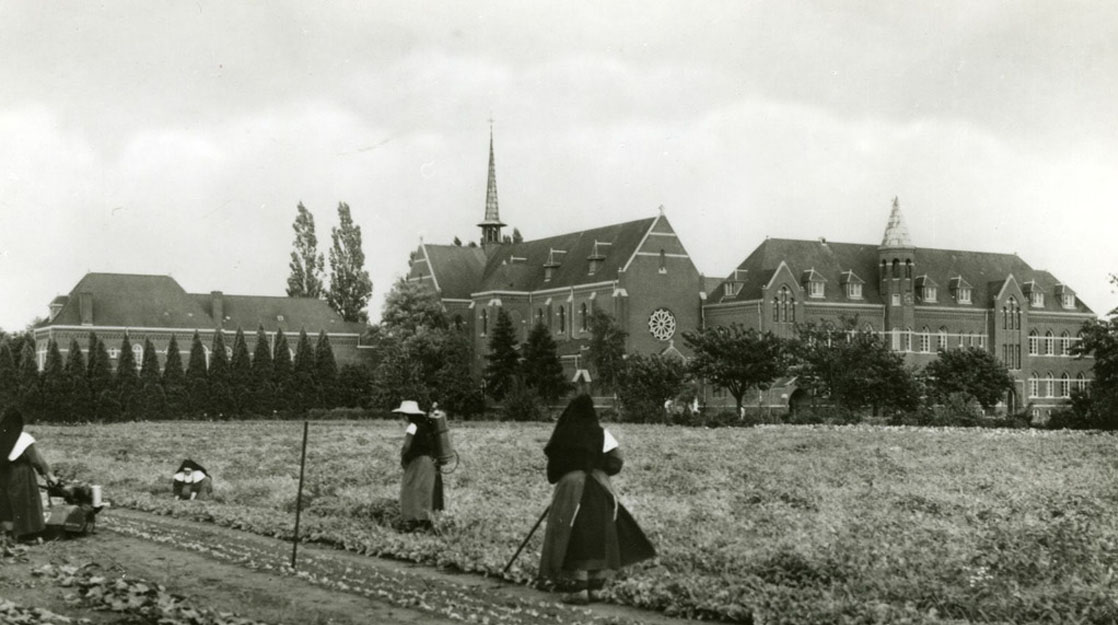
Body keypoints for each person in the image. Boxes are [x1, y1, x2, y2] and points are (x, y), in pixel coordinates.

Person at [538, 394, 656, 605]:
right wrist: (600, 469)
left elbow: (553, 470)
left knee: (574, 533)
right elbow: (616, 461)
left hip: (571, 488)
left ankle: (579, 589)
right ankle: (595, 588)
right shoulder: (602, 434)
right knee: (601, 532)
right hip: (599, 487)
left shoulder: (563, 434)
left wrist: (570, 473)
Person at [0, 408, 58, 542]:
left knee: (6, 504)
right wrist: (49, 475)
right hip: (20, 475)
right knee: (25, 503)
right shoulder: (24, 438)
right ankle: (26, 535)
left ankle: (7, 534)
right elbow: (37, 460)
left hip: (3, 474)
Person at [396, 400, 444, 532]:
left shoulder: (412, 426)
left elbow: (407, 445)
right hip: (429, 462)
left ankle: (411, 521)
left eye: (401, 415)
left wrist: (403, 458)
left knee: (410, 489)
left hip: (417, 462)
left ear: (406, 415)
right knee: (424, 491)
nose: (401, 418)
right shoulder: (426, 426)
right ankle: (425, 521)